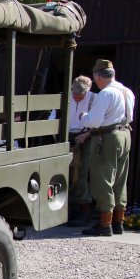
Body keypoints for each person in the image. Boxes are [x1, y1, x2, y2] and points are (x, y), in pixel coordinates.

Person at [75, 59, 134, 236]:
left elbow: (94, 121)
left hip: (108, 137)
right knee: (120, 179)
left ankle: (104, 224)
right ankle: (118, 222)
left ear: (98, 78)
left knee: (103, 179)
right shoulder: (127, 91)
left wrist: (83, 116)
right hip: (125, 134)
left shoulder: (105, 94)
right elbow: (130, 116)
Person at [60, 76, 95, 226]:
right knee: (65, 174)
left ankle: (84, 210)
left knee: (81, 174)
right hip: (67, 137)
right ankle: (69, 209)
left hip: (86, 138)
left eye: (80, 94)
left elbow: (100, 122)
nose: (76, 96)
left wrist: (87, 135)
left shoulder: (94, 99)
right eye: (74, 92)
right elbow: (54, 115)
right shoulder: (65, 97)